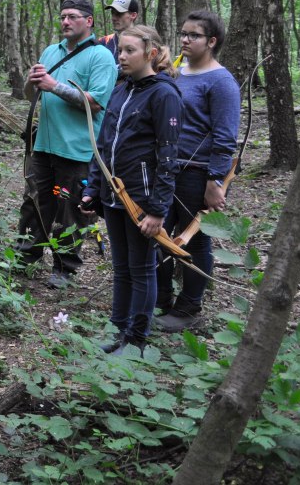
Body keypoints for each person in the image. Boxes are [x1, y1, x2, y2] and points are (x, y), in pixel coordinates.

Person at [81, 25, 183, 355]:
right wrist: (94, 189)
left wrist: (157, 209)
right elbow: (104, 144)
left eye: (129, 51)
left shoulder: (164, 94)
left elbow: (168, 157)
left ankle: (136, 340)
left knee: (142, 269)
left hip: (140, 199)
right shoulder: (122, 88)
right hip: (113, 196)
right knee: (121, 268)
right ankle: (117, 330)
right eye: (120, 50)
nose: (121, 57)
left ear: (150, 54)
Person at [17, 0, 118, 288]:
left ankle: (64, 268)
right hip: (44, 146)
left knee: (70, 208)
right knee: (34, 203)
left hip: (78, 150)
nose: (65, 22)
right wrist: (31, 81)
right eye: (62, 16)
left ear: (89, 21)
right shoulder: (51, 51)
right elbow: (30, 94)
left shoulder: (101, 57)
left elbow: (97, 102)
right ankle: (25, 257)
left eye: (72, 16)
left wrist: (54, 85)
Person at [155, 10, 240, 332]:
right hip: (168, 168)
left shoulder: (221, 82)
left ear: (212, 41)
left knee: (194, 241)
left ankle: (189, 308)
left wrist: (215, 181)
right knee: (159, 233)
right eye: (183, 33)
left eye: (194, 35)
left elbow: (225, 135)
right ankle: (160, 299)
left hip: (199, 172)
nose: (185, 39)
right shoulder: (177, 70)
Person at [100, 0, 140, 68]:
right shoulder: (103, 42)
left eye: (119, 14)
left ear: (133, 15)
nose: (114, 18)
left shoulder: (143, 42)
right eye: (113, 13)